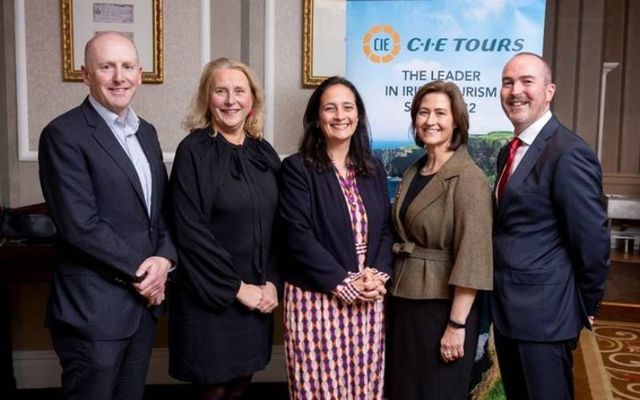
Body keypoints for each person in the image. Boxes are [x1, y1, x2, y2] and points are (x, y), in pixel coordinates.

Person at [38, 32, 176, 400]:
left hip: (142, 308)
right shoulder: (63, 134)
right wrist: (145, 273)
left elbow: (160, 212)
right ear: (85, 74)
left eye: (127, 66)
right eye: (106, 67)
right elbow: (79, 226)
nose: (120, 77)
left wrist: (164, 259)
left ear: (140, 73)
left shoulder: (146, 132)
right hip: (93, 310)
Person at [491, 52, 610, 399]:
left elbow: (592, 242)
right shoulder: (507, 153)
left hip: (547, 317)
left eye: (527, 81)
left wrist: (584, 305)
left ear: (549, 91)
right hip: (509, 311)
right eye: (508, 82)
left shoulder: (568, 152)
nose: (515, 91)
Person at [168, 58, 280, 400]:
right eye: (220, 91)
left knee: (240, 382)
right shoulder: (193, 152)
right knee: (214, 388)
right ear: (207, 98)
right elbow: (189, 233)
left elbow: (282, 224)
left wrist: (273, 283)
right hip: (211, 296)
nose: (230, 100)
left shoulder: (264, 153)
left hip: (258, 294)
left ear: (252, 101)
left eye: (239, 91)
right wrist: (236, 288)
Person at [278, 76, 393, 399]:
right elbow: (296, 236)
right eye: (330, 108)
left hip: (368, 297)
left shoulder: (373, 168)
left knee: (366, 388)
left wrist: (377, 276)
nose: (340, 115)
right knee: (320, 390)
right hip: (317, 297)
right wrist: (344, 283)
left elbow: (385, 229)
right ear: (317, 118)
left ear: (358, 116)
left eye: (348, 107)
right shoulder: (297, 169)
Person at [385, 80, 493, 399]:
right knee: (405, 390)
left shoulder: (469, 179)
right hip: (405, 301)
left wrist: (456, 326)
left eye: (440, 113)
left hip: (443, 308)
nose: (430, 120)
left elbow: (473, 258)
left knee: (437, 391)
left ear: (456, 120)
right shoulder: (414, 170)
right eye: (423, 112)